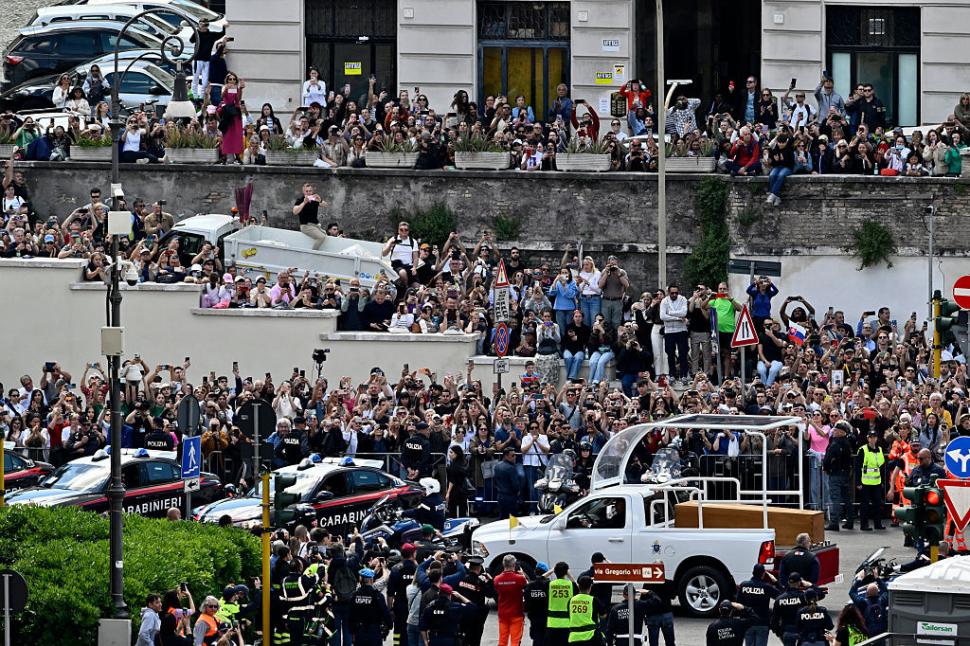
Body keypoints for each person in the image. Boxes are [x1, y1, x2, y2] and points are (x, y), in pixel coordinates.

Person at [735, 564, 779, 646]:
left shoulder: (744, 585)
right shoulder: (767, 587)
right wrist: (776, 582)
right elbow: (782, 597)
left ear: (752, 573)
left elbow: (738, 604)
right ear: (763, 574)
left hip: (747, 622)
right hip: (762, 622)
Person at [350, 567, 391, 646]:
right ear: (372, 580)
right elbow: (385, 613)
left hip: (359, 631)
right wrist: (389, 625)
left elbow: (351, 615)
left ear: (360, 579)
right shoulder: (377, 596)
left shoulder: (355, 595)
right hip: (374, 632)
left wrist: (352, 632)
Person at [387, 543, 418, 646]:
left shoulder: (396, 569)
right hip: (414, 606)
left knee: (398, 631)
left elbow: (390, 592)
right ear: (413, 554)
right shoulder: (418, 569)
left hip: (400, 606)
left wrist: (390, 609)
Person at [494, 554, 528, 646]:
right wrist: (522, 574)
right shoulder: (520, 578)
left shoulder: (497, 579)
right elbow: (528, 588)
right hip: (516, 613)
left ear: (503, 564)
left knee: (502, 641)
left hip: (503, 614)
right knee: (515, 641)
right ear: (514, 565)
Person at [856, 430, 886, 531]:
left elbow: (881, 466)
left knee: (877, 503)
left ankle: (878, 524)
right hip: (865, 482)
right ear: (868, 438)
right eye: (870, 437)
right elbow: (858, 467)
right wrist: (858, 482)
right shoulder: (863, 450)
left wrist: (882, 481)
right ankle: (864, 525)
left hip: (876, 482)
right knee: (864, 505)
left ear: (877, 438)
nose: (872, 439)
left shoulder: (880, 449)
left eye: (874, 437)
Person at [660, 284, 690, 385]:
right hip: (669, 331)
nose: (674, 295)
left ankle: (684, 375)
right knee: (670, 354)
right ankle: (672, 375)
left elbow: (684, 313)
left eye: (676, 293)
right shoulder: (664, 301)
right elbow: (663, 316)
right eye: (672, 293)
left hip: (681, 330)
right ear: (668, 293)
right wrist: (678, 318)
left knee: (683, 353)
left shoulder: (682, 299)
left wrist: (670, 313)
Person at [547, 562, 576, 646]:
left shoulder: (550, 584)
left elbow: (539, 580)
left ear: (555, 572)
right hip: (567, 623)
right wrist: (569, 575)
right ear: (566, 572)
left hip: (552, 623)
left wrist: (551, 571)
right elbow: (578, 588)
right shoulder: (571, 585)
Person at [293, 183, 329, 251]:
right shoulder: (300, 200)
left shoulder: (314, 199)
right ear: (304, 192)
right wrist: (304, 203)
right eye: (307, 191)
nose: (309, 193)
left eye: (310, 191)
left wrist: (320, 200)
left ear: (312, 191)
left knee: (326, 236)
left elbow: (325, 205)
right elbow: (295, 212)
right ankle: (313, 253)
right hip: (306, 226)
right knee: (322, 237)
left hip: (315, 225)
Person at [567, 575, 599, 646]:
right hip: (590, 636)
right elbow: (604, 614)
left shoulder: (571, 600)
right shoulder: (593, 600)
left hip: (574, 637)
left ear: (579, 586)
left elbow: (569, 615)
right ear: (590, 587)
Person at [524, 562, 551, 646]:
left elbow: (526, 603)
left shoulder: (530, 586)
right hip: (547, 618)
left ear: (535, 572)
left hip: (534, 619)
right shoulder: (549, 585)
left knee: (536, 640)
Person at [494, 446, 522, 519]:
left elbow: (495, 480)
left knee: (502, 517)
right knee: (512, 519)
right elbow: (515, 485)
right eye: (512, 455)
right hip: (510, 497)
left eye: (515, 455)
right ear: (506, 456)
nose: (515, 457)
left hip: (500, 495)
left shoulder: (497, 466)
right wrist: (518, 492)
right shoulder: (511, 468)